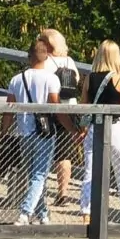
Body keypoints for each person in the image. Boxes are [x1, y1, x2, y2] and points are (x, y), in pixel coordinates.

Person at [4, 37, 61, 224]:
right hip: (44, 134)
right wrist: (72, 129)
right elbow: (56, 106)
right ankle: (25, 212)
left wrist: (3, 133)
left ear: (29, 57)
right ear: (46, 57)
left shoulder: (16, 79)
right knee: (39, 175)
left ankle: (43, 214)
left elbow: (9, 110)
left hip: (23, 133)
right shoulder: (52, 79)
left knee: (34, 176)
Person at [80, 41, 120, 222]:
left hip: (95, 127)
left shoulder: (89, 78)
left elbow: (84, 106)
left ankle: (86, 212)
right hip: (114, 126)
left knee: (90, 170)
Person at [40, 28, 85, 206]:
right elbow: (78, 80)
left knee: (43, 149)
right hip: (70, 108)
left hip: (51, 109)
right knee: (64, 153)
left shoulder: (46, 62)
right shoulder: (70, 61)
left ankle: (40, 191)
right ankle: (63, 192)